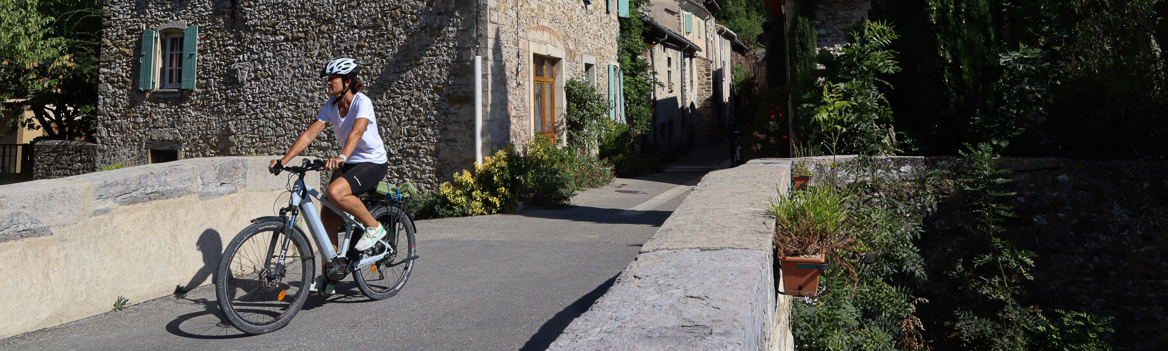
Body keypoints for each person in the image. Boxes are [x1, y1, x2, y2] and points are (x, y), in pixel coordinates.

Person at [269, 58, 389, 267]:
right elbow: (309, 134)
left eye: (333, 78)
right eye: (328, 78)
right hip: (349, 164)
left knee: (335, 192)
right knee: (328, 215)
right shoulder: (330, 106)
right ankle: (330, 275)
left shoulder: (363, 102)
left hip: (372, 162)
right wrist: (283, 160)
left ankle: (374, 227)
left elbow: (357, 132)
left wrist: (342, 156)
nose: (328, 82)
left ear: (348, 81)